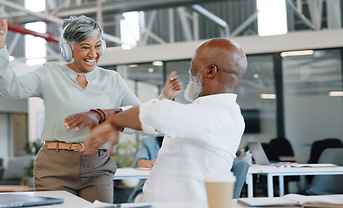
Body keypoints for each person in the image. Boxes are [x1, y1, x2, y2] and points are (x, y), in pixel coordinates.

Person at [0, 15, 145, 202]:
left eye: (98, 46)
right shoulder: (49, 73)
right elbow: (11, 88)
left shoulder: (112, 80)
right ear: (68, 49)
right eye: (85, 47)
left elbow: (140, 115)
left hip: (97, 166)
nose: (93, 54)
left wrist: (104, 115)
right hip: (54, 167)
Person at [75, 38, 248, 202]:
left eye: (193, 66)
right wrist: (102, 116)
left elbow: (155, 113)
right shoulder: (203, 112)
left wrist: (113, 122)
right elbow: (151, 123)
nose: (190, 72)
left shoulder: (220, 116)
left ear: (210, 71)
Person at [127, 136, 163, 203]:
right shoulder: (149, 141)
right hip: (146, 188)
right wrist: (150, 163)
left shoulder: (181, 142)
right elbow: (138, 162)